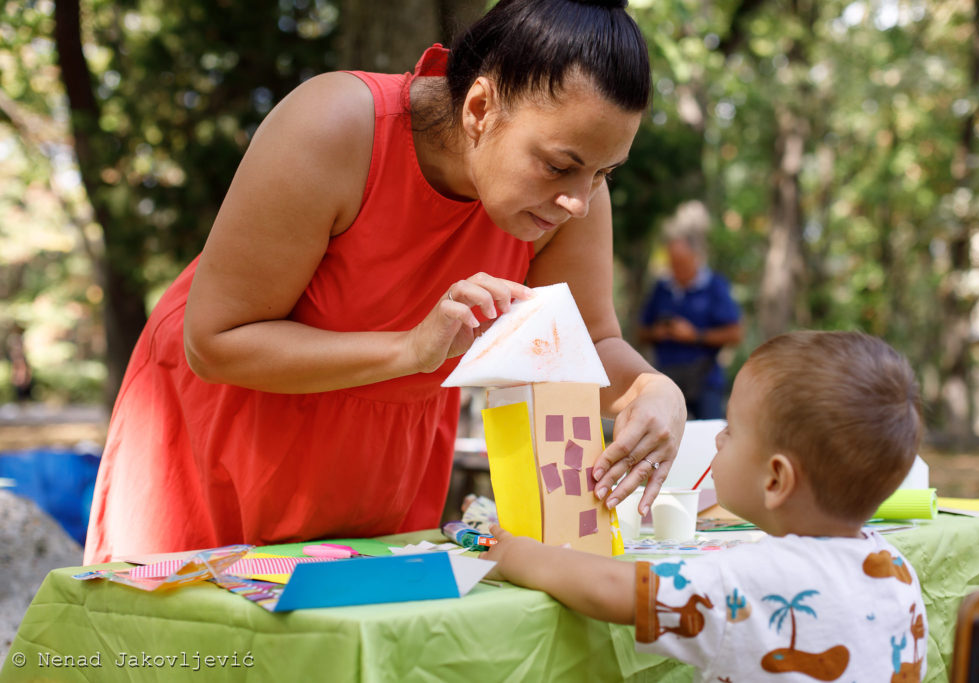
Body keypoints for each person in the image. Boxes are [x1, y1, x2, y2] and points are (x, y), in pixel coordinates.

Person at [83, 0, 687, 564]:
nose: (580, 199)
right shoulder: (334, 125)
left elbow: (590, 344)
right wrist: (410, 349)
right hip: (224, 434)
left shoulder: (571, 197)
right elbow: (215, 341)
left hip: (383, 458)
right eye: (561, 165)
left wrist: (652, 389)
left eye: (604, 172)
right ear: (479, 108)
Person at [483, 331, 928, 682]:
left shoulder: (743, 580)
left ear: (776, 480)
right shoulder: (896, 568)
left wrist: (516, 553)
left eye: (731, 430)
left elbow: (609, 588)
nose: (718, 438)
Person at [637, 201, 742, 419]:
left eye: (682, 263)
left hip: (705, 380)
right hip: (667, 378)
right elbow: (641, 332)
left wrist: (695, 335)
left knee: (709, 439)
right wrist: (657, 333)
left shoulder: (715, 286)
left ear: (695, 257)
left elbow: (735, 333)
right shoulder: (661, 288)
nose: (676, 270)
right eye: (673, 264)